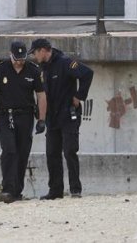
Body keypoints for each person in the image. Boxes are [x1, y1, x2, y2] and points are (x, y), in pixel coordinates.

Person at [0, 41, 47, 203]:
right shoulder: (1, 69)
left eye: (22, 59)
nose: (19, 62)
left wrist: (42, 119)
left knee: (22, 153)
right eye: (16, 59)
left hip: (26, 117)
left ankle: (17, 191)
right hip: (6, 117)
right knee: (9, 151)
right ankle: (7, 189)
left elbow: (41, 95)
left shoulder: (34, 71)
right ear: (10, 55)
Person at [28, 38, 94, 200]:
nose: (35, 57)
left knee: (70, 151)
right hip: (52, 117)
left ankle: (75, 190)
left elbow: (87, 73)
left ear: (43, 50)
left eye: (35, 53)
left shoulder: (65, 62)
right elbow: (41, 93)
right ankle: (55, 190)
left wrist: (79, 96)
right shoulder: (42, 68)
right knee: (52, 153)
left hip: (68, 115)